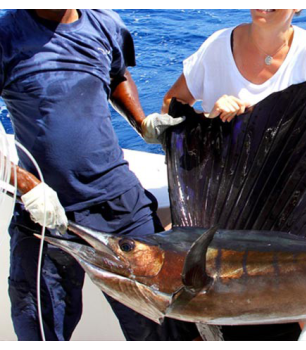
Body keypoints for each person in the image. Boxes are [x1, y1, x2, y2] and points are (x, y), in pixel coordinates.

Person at [0, 9, 195, 341]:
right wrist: (26, 185)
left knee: (168, 329)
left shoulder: (106, 24)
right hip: (46, 211)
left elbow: (117, 75)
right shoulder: (7, 34)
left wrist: (141, 122)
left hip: (121, 203)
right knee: (41, 332)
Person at [160, 9, 306, 340]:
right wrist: (210, 115)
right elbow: (171, 105)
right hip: (221, 203)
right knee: (166, 267)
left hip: (290, 209)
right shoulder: (218, 46)